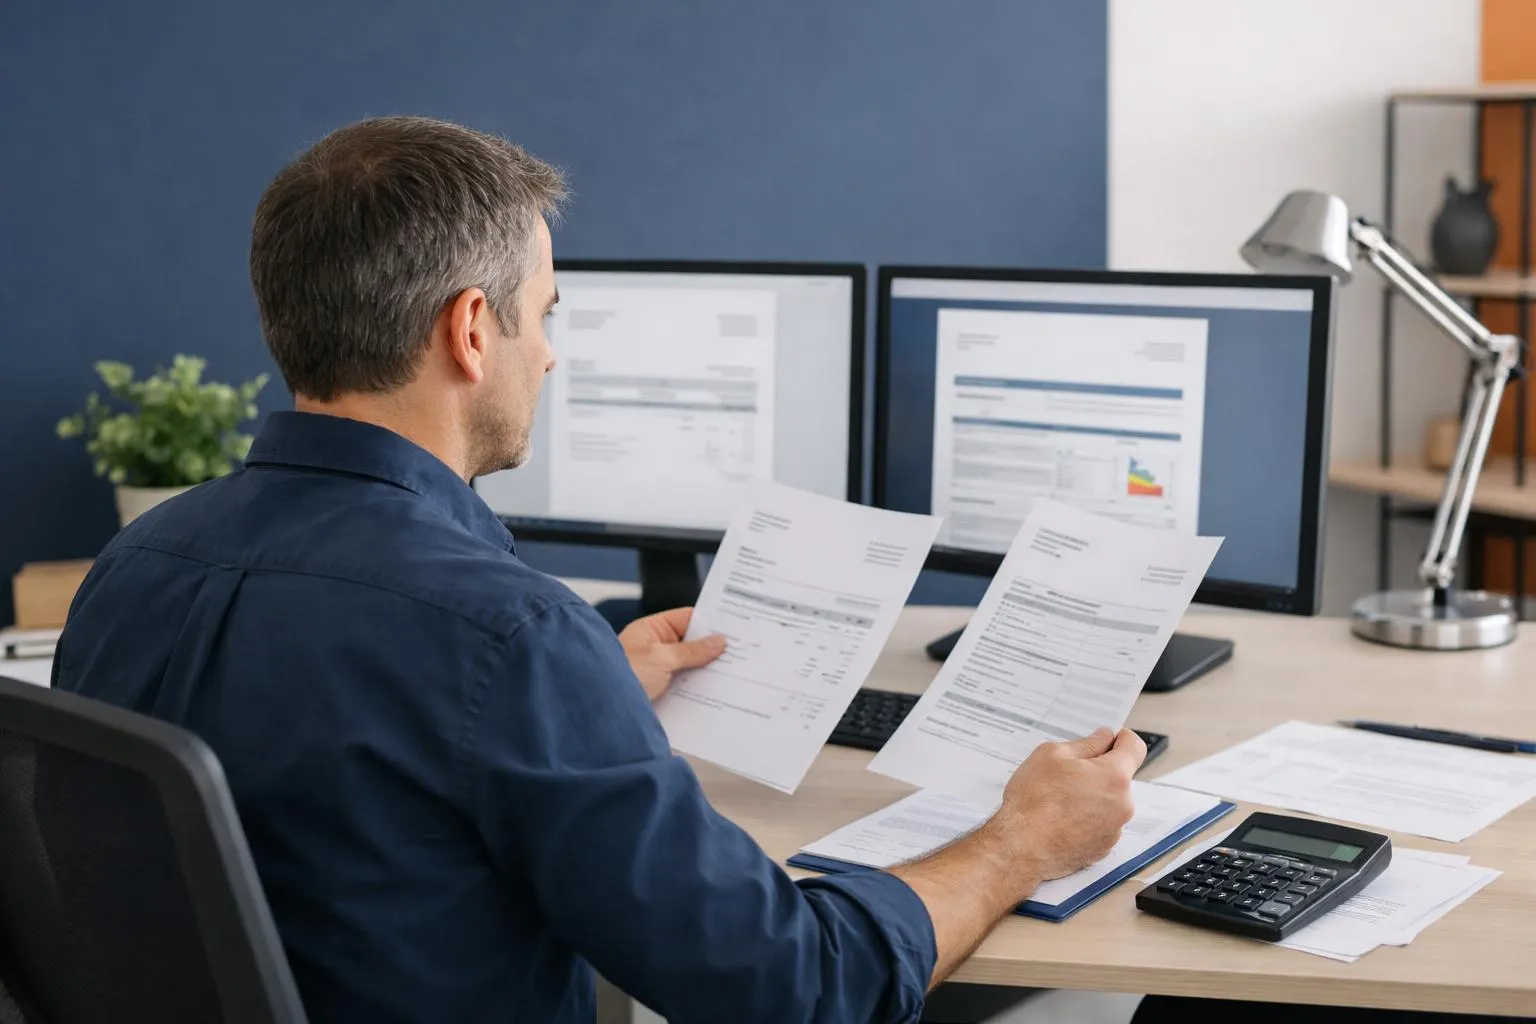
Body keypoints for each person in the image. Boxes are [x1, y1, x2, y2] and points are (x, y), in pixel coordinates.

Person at [55, 116, 1145, 1023]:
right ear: (472, 330)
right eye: (547, 315)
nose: (552, 353)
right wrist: (1020, 839)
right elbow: (795, 987)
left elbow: (340, 787)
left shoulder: (136, 561)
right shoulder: (506, 635)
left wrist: (589, 700)